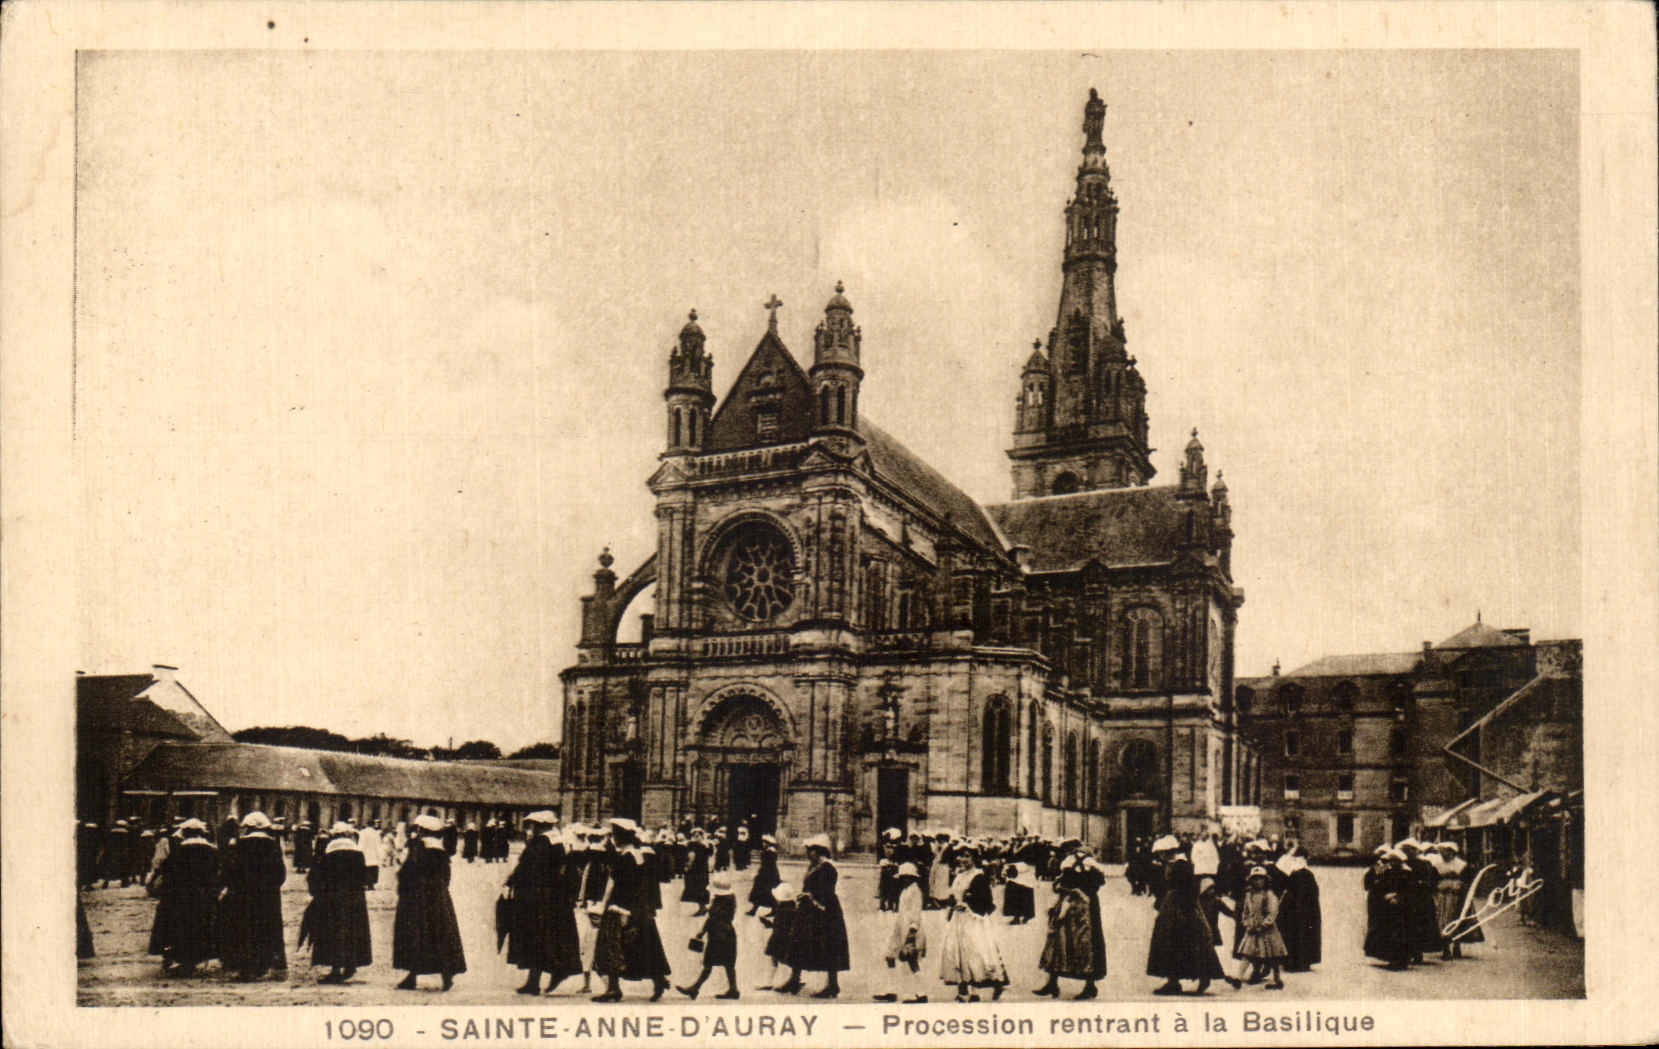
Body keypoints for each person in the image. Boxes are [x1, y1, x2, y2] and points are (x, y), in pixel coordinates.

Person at [591, 817, 672, 1002]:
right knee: (641, 947)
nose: (613, 839)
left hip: (623, 907)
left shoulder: (628, 858)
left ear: (620, 837)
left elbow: (627, 886)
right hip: (635, 908)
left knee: (613, 946)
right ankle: (657, 980)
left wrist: (622, 909)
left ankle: (614, 989)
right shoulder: (634, 855)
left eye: (615, 835)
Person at [503, 812, 582, 995]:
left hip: (539, 897)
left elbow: (528, 867)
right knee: (542, 938)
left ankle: (551, 974)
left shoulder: (542, 842)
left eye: (535, 824)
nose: (532, 827)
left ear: (543, 825)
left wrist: (512, 880)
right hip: (552, 897)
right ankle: (534, 980)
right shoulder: (556, 841)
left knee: (537, 936)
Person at [393, 814, 467, 990]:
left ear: (421, 830)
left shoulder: (417, 847)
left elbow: (407, 872)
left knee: (416, 934)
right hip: (439, 897)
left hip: (417, 897)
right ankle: (446, 976)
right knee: (440, 934)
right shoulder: (441, 851)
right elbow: (447, 876)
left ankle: (412, 976)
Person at [1146, 836, 1226, 995]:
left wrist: (1185, 910)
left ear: (1168, 851)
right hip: (1172, 906)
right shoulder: (1173, 864)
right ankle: (1173, 981)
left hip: (1182, 908)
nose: (1159, 857)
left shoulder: (1182, 866)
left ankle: (1202, 977)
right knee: (1169, 943)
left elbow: (1190, 889)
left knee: (1187, 942)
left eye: (1161, 853)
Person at [302, 821, 373, 984]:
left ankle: (335, 970)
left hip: (332, 900)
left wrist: (316, 893)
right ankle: (350, 965)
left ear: (334, 835)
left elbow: (316, 876)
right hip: (355, 901)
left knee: (334, 933)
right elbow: (364, 878)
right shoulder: (357, 853)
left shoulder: (328, 853)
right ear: (348, 835)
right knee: (352, 931)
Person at [146, 818, 219, 976]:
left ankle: (183, 960)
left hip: (181, 898)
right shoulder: (212, 851)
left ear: (185, 833)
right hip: (204, 897)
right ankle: (198, 958)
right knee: (202, 927)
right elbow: (217, 873)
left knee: (182, 928)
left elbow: (165, 872)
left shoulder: (178, 852)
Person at [219, 812, 287, 981]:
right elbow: (281, 873)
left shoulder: (240, 845)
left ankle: (245, 968)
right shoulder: (273, 845)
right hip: (268, 897)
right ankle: (264, 966)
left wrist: (230, 887)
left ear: (249, 827)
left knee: (244, 929)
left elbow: (230, 869)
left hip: (243, 896)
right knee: (266, 929)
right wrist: (271, 886)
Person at [778, 835, 848, 999]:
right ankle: (794, 979)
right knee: (798, 941)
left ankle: (832, 985)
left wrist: (812, 898)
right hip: (809, 910)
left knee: (828, 945)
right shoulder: (814, 866)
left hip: (825, 911)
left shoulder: (828, 868)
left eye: (810, 851)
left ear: (819, 851)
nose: (808, 854)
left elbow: (827, 891)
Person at [1036, 845, 1107, 1000]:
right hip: (1088, 906)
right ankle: (1088, 984)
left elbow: (1062, 885)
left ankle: (1054, 983)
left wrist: (1066, 889)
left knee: (1059, 942)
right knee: (1085, 943)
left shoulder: (1068, 863)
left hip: (1069, 905)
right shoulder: (1093, 867)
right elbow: (1098, 885)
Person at [938, 847, 1008, 1003]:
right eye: (961, 856)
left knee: (976, 952)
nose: (963, 860)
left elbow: (986, 902)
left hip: (974, 920)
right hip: (958, 920)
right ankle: (962, 989)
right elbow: (952, 896)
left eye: (967, 856)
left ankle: (977, 990)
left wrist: (968, 906)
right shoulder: (959, 876)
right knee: (958, 952)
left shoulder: (979, 876)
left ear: (974, 859)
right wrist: (951, 907)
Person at [872, 863, 928, 1004]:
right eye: (903, 877)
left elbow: (915, 913)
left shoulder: (915, 891)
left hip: (911, 929)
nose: (904, 880)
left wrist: (911, 933)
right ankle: (892, 991)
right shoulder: (905, 890)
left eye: (907, 877)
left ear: (913, 878)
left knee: (911, 960)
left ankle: (921, 993)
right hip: (900, 928)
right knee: (890, 956)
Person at [677, 877, 740, 999]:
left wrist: (702, 931)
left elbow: (713, 919)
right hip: (728, 934)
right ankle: (733, 990)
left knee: (709, 964)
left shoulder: (720, 901)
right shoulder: (730, 899)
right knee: (728, 964)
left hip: (718, 935)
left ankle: (695, 989)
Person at [1232, 866, 1287, 989]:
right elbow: (1245, 912)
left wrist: (1264, 924)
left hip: (1267, 931)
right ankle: (1238, 978)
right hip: (1252, 929)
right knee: (1247, 954)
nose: (1258, 882)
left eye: (1261, 879)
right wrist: (1247, 923)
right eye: (1255, 879)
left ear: (1266, 881)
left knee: (1273, 956)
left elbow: (1272, 913)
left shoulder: (1269, 895)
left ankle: (1277, 980)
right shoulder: (1249, 895)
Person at [1364, 849, 1414, 970]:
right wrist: (1386, 896)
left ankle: (1402, 959)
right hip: (1389, 906)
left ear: (1401, 861)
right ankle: (1392, 959)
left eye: (1395, 861)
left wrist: (1398, 897)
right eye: (1391, 861)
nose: (1392, 863)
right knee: (1389, 932)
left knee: (1402, 933)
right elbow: (1379, 887)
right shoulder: (1387, 873)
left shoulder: (1407, 874)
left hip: (1403, 907)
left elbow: (1411, 890)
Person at [1432, 841, 1482, 959]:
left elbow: (1469, 881)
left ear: (1451, 852)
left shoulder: (1462, 865)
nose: (1442, 854)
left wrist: (1459, 886)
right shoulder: (1438, 865)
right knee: (1443, 921)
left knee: (1458, 919)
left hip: (1458, 896)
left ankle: (1457, 946)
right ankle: (1445, 948)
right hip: (1443, 896)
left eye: (1444, 852)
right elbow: (1434, 880)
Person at [1277, 850, 1322, 972]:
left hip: (1291, 908)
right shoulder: (1307, 873)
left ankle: (1290, 961)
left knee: (1292, 934)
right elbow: (1314, 892)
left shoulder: (1291, 872)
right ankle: (1303, 961)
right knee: (1303, 934)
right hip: (1306, 910)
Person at [759, 881, 797, 990]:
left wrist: (766, 923)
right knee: (785, 959)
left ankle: (769, 981)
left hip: (778, 938)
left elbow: (778, 926)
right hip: (788, 937)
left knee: (775, 959)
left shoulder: (782, 910)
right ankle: (793, 978)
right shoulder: (791, 908)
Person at [748, 833, 782, 917]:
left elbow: (768, 865)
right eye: (763, 842)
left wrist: (761, 874)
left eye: (765, 842)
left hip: (769, 875)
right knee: (761, 892)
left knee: (768, 893)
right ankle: (754, 910)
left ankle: (775, 909)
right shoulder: (768, 851)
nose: (763, 844)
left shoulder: (770, 852)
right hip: (767, 874)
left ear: (768, 843)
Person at [681, 828, 711, 916]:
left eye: (698, 835)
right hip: (700, 870)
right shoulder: (701, 845)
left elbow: (691, 857)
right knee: (699, 889)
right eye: (695, 835)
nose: (696, 837)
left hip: (697, 871)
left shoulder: (696, 846)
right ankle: (702, 907)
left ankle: (702, 908)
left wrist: (687, 867)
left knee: (698, 889)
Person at [1001, 860, 1037, 925]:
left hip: (1024, 872)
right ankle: (1018, 916)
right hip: (1016, 873)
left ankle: (1023, 916)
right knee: (1016, 895)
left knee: (1022, 895)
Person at [359, 822, 384, 889]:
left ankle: (367, 883)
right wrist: (380, 855)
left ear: (367, 825)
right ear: (373, 825)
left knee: (366, 869)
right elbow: (378, 845)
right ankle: (371, 884)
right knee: (373, 869)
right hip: (373, 853)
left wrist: (360, 852)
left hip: (365, 853)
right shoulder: (376, 833)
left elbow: (361, 843)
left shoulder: (362, 832)